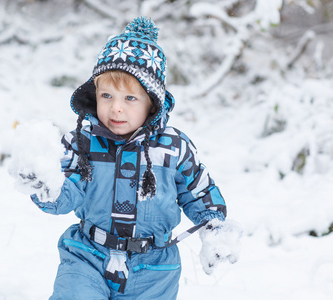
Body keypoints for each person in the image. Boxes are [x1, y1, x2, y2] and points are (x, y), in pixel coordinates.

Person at [17, 17, 241, 299]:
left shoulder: (173, 148)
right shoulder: (82, 143)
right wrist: (44, 185)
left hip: (154, 269)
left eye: (130, 99)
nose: (116, 109)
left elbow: (199, 191)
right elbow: (67, 192)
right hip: (87, 256)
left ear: (152, 103)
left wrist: (214, 226)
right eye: (107, 95)